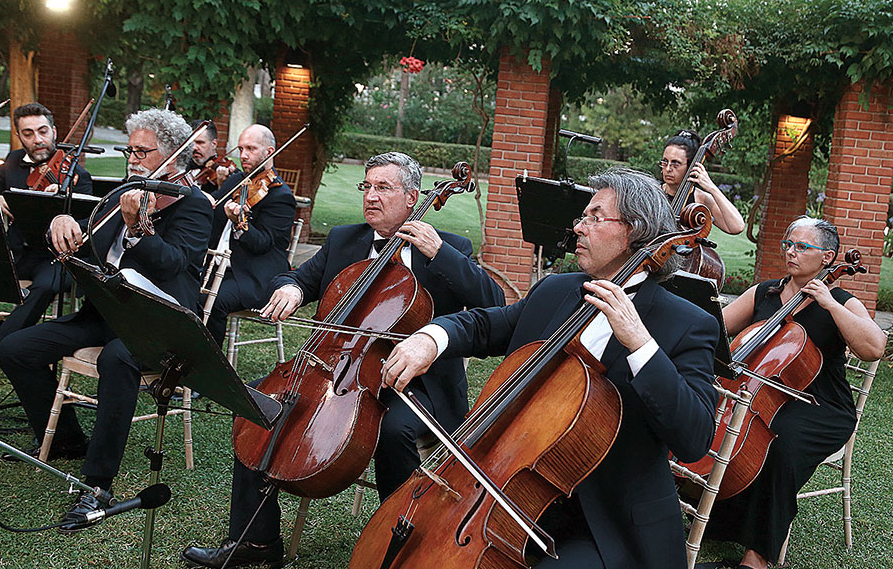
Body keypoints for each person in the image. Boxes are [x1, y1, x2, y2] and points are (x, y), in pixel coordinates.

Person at [381, 168, 721, 569]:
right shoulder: (558, 289)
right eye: (583, 216)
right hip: (510, 491)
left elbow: (695, 437)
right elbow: (489, 324)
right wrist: (432, 337)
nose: (578, 227)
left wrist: (640, 343)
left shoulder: (687, 323)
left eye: (594, 217)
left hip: (605, 523)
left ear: (634, 231)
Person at [181, 151, 505, 568]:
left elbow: (494, 306)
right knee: (260, 406)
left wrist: (441, 252)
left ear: (412, 197)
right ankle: (257, 542)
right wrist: (293, 290)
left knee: (392, 433)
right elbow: (298, 276)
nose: (371, 196)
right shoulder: (344, 240)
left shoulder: (447, 248)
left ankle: (401, 541)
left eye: (383, 187)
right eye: (366, 187)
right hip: (335, 373)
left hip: (416, 387)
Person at [0, 108, 212, 531]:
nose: (132, 158)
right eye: (131, 150)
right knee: (13, 347)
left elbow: (175, 264)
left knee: (116, 359)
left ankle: (98, 481)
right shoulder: (121, 194)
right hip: (105, 312)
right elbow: (89, 245)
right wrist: (61, 222)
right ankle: (68, 439)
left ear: (172, 156)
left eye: (142, 152)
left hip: (159, 322)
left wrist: (138, 228)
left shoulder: (194, 204)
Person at [705, 216, 886, 569]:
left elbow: (874, 347)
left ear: (828, 257)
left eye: (802, 246)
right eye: (789, 243)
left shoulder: (842, 300)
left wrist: (829, 303)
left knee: (779, 445)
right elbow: (716, 327)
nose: (791, 251)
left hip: (822, 408)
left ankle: (756, 558)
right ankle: (717, 519)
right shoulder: (765, 292)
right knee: (702, 415)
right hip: (760, 396)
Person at [0, 102, 94, 390]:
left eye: (42, 131)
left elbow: (87, 223)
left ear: (54, 131)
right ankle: (4, 336)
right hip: (19, 252)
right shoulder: (13, 163)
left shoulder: (77, 174)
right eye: (28, 134)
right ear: (19, 136)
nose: (37, 140)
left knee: (45, 287)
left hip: (57, 258)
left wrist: (62, 203)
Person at [204, 124, 297, 345]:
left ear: (269, 151)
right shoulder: (237, 180)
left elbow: (263, 244)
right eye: (241, 148)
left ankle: (208, 365)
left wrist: (240, 224)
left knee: (212, 301)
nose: (243, 155)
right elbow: (214, 210)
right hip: (221, 265)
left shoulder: (281, 197)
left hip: (256, 274)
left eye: (251, 149)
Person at [659, 129, 746, 235]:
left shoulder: (701, 199)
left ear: (691, 166)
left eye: (675, 163)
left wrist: (711, 187)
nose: (668, 169)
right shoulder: (652, 192)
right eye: (665, 162)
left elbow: (737, 227)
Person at [187, 120, 234, 192]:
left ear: (214, 144)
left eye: (200, 142)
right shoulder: (183, 167)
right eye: (191, 142)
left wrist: (221, 186)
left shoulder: (228, 169)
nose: (194, 147)